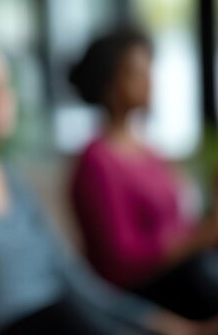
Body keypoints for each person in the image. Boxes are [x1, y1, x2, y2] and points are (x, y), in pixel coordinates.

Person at [0, 28, 217, 334]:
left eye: (4, 85)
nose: (1, 99)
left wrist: (169, 325)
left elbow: (74, 280)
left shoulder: (11, 179)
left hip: (65, 315)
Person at [69, 27, 218, 320]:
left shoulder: (150, 151)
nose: (150, 82)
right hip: (137, 293)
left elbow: (178, 226)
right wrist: (198, 238)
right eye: (136, 73)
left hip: (179, 276)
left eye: (149, 70)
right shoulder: (96, 161)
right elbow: (120, 261)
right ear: (109, 83)